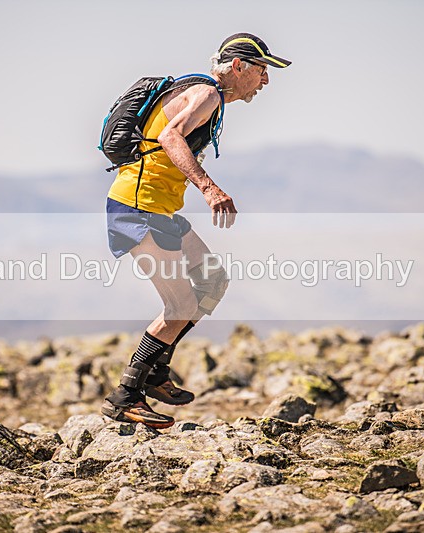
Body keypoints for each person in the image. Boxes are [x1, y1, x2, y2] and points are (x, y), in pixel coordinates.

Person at [101, 33, 291, 428]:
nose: (266, 82)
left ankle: (156, 373)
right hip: (138, 209)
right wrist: (209, 188)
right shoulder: (207, 95)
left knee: (213, 281)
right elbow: (170, 136)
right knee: (182, 305)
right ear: (238, 66)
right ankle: (125, 397)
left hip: (160, 209)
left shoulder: (206, 95)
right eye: (262, 71)